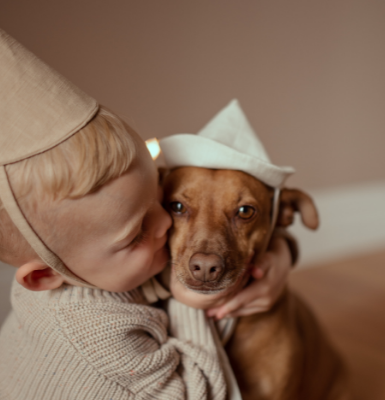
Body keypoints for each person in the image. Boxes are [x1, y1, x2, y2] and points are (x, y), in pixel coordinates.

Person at [0, 29, 293, 400]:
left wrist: (280, 255)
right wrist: (189, 300)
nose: (165, 224)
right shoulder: (96, 340)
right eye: (137, 232)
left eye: (160, 203)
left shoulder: (90, 263)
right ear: (46, 275)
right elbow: (198, 392)